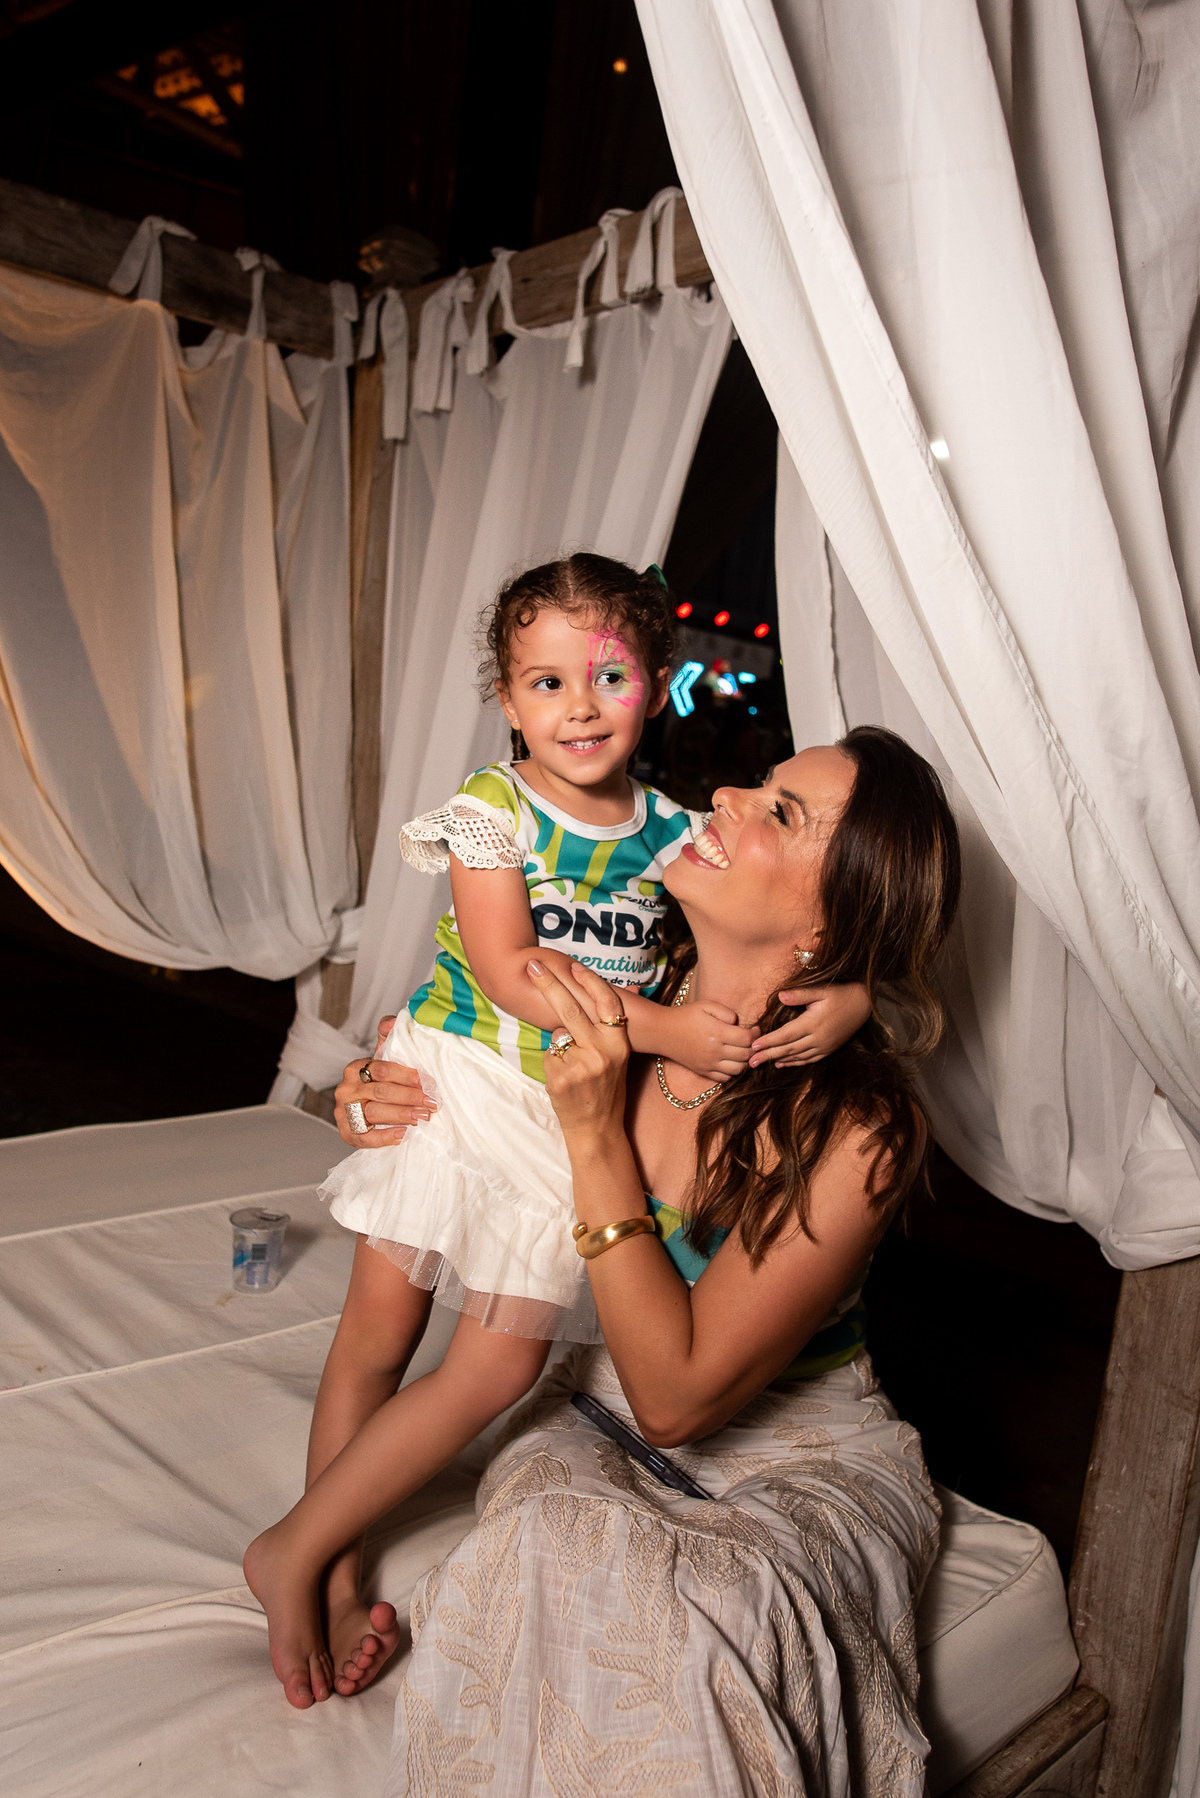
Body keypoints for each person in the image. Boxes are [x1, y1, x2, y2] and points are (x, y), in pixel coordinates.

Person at [243, 554, 872, 1708]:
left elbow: (819, 907)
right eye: (546, 682)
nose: (579, 706)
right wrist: (672, 1030)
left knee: (498, 1362)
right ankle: (319, 1559)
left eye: (610, 677)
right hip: (461, 1080)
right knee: (376, 1335)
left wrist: (862, 994)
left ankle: (305, 1545)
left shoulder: (671, 829)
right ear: (506, 697)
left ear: (657, 686)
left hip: (554, 1114)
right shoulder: (491, 812)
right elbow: (511, 969)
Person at [383, 726, 961, 1792]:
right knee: (549, 1546)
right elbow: (453, 1035)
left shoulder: (860, 1128)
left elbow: (678, 1402)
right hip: (582, 1406)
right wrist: (376, 1092)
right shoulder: (628, 991)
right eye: (762, 781)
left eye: (780, 810)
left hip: (797, 1454)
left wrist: (596, 1142)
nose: (728, 792)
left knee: (716, 1613)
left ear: (828, 924)